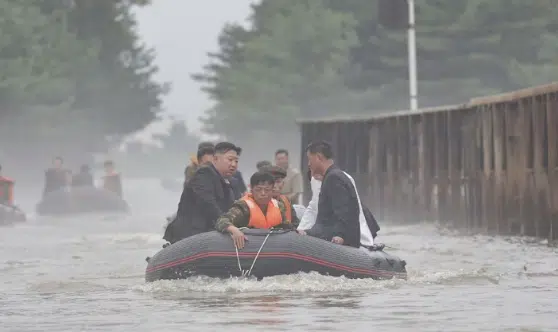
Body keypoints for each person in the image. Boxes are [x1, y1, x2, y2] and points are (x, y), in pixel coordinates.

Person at [298, 141, 374, 249]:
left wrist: (341, 235)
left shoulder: (334, 178)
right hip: (326, 236)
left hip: (341, 243)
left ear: (319, 157)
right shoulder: (331, 176)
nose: (309, 164)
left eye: (310, 159)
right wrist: (305, 231)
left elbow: (344, 211)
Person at [164, 141, 240, 244]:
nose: (233, 164)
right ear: (215, 159)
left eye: (236, 161)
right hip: (191, 235)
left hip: (213, 235)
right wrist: (228, 226)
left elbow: (233, 208)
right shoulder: (203, 175)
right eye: (230, 160)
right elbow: (208, 205)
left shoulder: (229, 182)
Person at [215, 171, 295, 249]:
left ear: (272, 191)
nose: (263, 193)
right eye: (258, 189)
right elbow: (221, 220)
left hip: (271, 247)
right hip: (247, 248)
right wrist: (234, 230)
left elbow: (287, 227)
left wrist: (297, 231)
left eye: (267, 190)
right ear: (252, 191)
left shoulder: (279, 206)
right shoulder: (244, 206)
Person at [298, 167, 380, 241]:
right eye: (313, 175)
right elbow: (313, 206)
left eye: (317, 175)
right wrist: (302, 228)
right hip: (336, 222)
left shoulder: (340, 178)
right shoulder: (314, 181)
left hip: (359, 217)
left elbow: (353, 206)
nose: (316, 177)